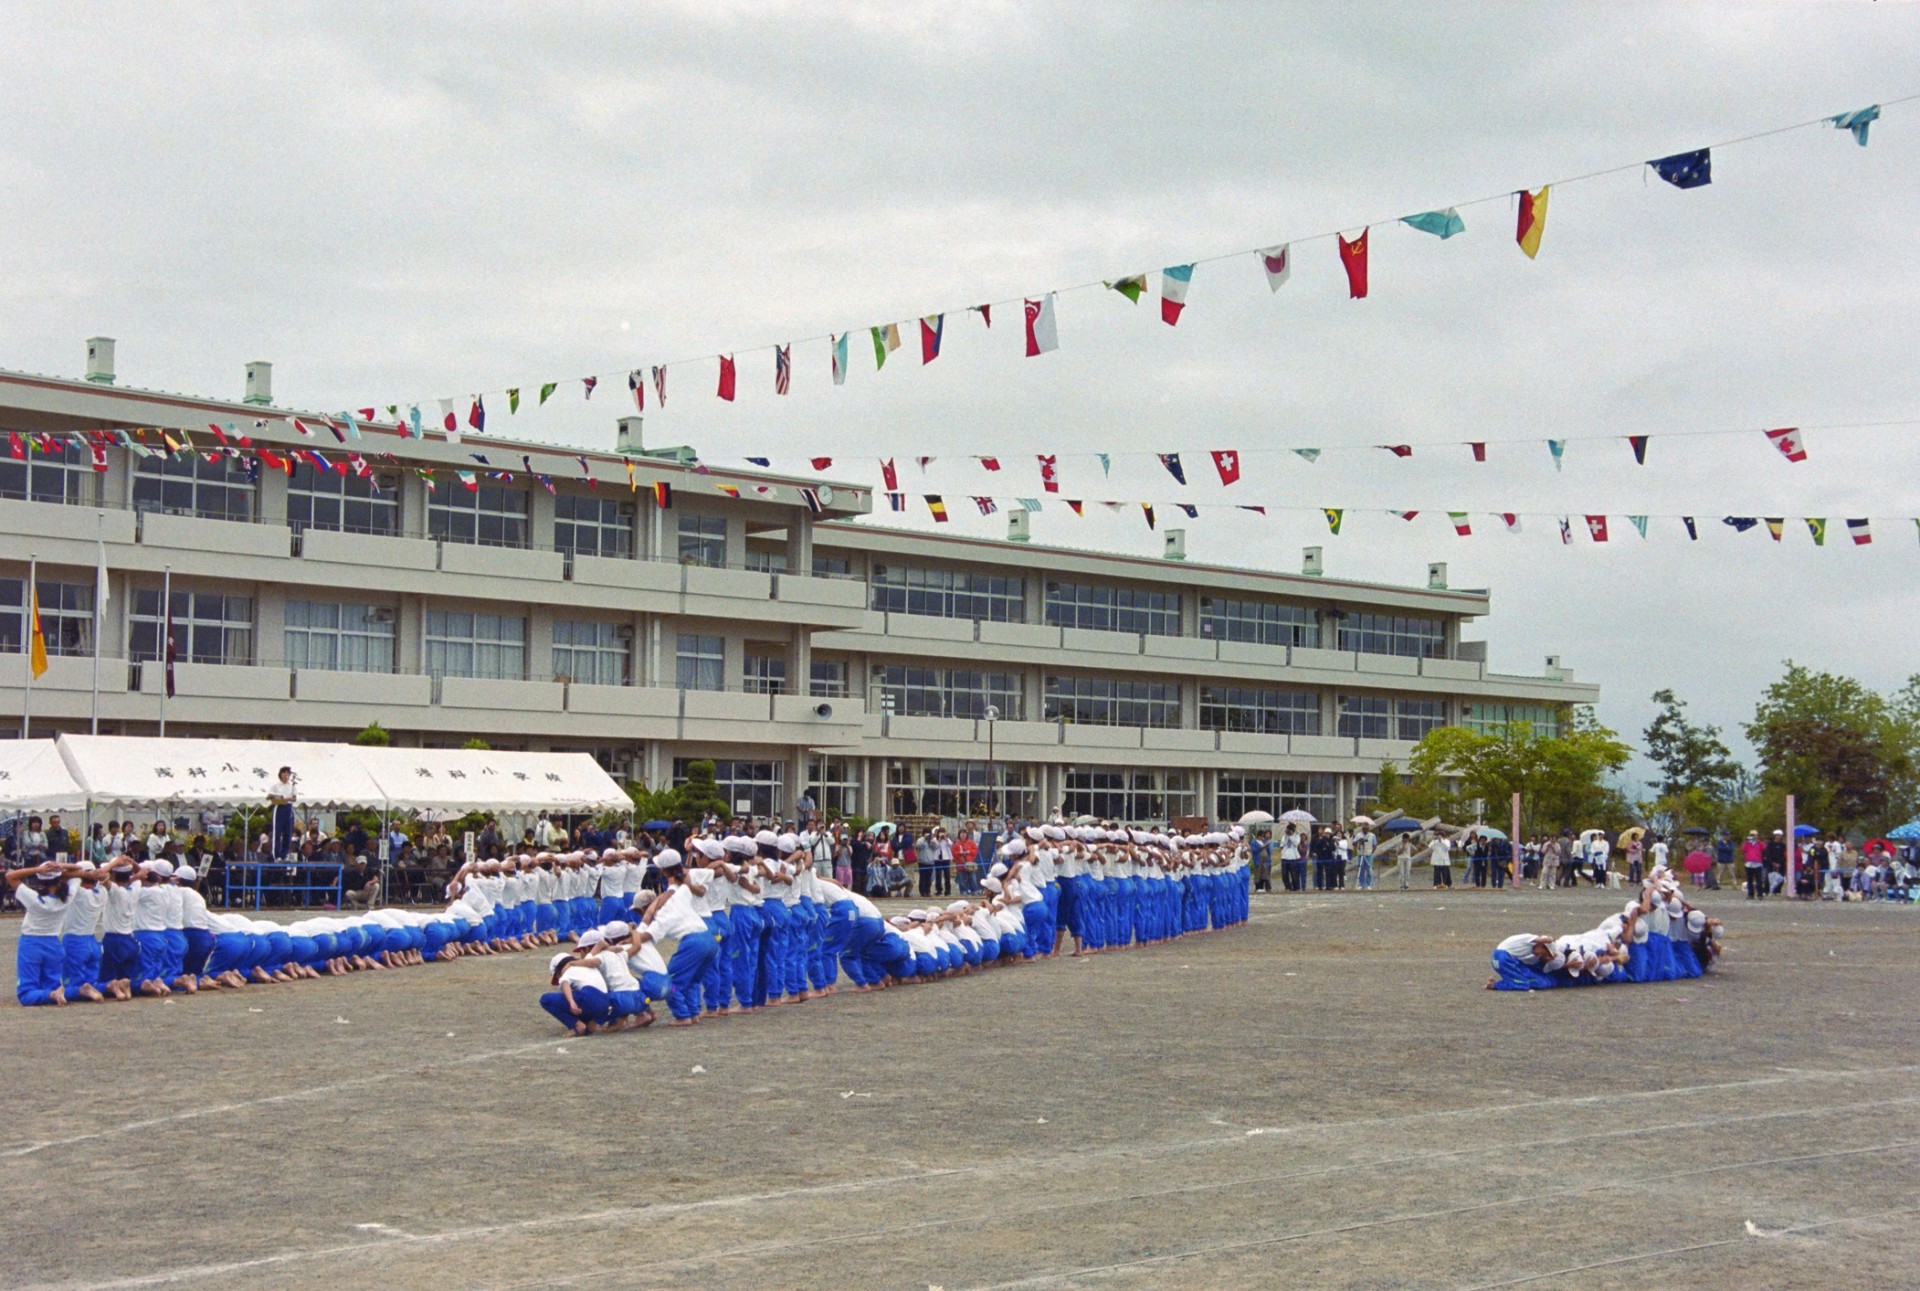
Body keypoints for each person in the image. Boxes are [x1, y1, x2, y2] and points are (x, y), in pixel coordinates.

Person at [8, 860, 80, 1005]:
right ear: (59, 880)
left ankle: (53, 995)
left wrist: (37, 869)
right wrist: (61, 866)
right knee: (52, 983)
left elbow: (10, 876)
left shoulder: (35, 899)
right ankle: (77, 990)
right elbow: (79, 869)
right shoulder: (66, 898)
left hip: (31, 943)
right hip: (53, 943)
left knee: (26, 992)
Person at [1352, 826, 1375, 891]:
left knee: (1369, 869)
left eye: (1366, 828)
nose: (1365, 829)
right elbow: (1353, 843)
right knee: (1361, 869)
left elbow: (1374, 845)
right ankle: (1361, 884)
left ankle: (1369, 884)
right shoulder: (1358, 835)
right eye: (1363, 828)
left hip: (1368, 855)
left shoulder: (1372, 835)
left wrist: (1371, 852)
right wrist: (1358, 840)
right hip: (1360, 854)